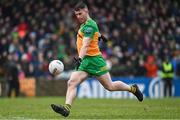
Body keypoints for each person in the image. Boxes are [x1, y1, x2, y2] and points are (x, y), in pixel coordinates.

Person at [51, 2, 143, 117]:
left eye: (80, 13)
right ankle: (66, 108)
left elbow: (85, 44)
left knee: (110, 86)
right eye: (76, 15)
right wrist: (100, 35)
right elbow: (92, 32)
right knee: (71, 82)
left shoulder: (89, 25)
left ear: (86, 11)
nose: (78, 17)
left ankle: (133, 88)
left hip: (94, 61)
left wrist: (79, 58)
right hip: (86, 61)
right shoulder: (87, 24)